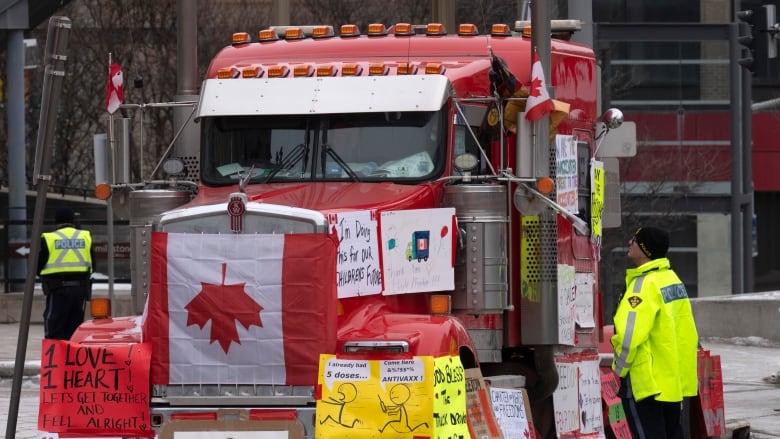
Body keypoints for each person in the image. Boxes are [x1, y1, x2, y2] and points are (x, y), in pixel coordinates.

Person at [611, 226, 699, 439]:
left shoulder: (643, 286)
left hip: (645, 383)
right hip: (670, 383)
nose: (630, 241)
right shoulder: (672, 280)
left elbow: (629, 336)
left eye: (636, 240)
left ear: (645, 249)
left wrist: (619, 369)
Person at [37, 207, 95, 340]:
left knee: (54, 325)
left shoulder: (49, 238)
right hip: (79, 290)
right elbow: (93, 264)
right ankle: (72, 358)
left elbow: (39, 266)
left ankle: (55, 358)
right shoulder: (85, 236)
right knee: (74, 328)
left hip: (57, 289)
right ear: (72, 221)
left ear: (57, 221)